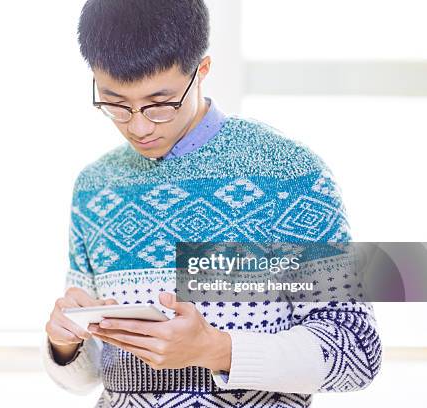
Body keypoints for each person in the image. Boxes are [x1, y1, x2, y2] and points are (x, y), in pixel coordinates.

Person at [43, 1, 382, 407]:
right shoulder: (95, 188)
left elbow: (358, 352)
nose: (137, 125)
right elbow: (92, 373)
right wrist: (64, 343)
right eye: (115, 102)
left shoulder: (288, 174)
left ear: (201, 71)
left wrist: (216, 349)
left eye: (159, 102)